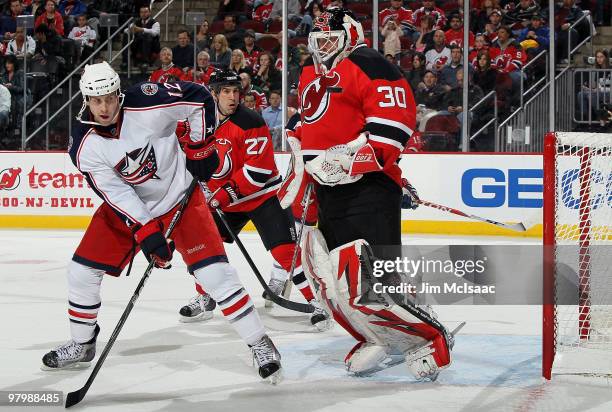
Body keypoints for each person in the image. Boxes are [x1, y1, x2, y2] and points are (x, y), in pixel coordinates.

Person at [40, 62, 282, 383]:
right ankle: (82, 343)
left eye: (110, 98)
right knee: (81, 270)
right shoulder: (84, 143)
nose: (104, 107)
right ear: (86, 99)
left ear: (118, 93)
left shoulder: (146, 100)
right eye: (96, 101)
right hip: (130, 208)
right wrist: (147, 230)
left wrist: (198, 148)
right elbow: (115, 192)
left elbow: (198, 99)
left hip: (180, 196)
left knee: (215, 275)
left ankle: (259, 342)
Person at [282, 8, 453, 380]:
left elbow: (394, 128)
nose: (324, 48)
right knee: (335, 282)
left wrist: (347, 161)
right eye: (318, 41)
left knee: (375, 279)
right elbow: (309, 119)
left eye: (331, 40)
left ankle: (429, 336)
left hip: (367, 190)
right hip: (327, 192)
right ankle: (374, 334)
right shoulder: (311, 71)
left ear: (351, 36)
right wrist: (300, 150)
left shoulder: (370, 63)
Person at [176, 70, 331, 331]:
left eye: (236, 91)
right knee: (201, 247)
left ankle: (317, 302)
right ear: (213, 94)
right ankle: (206, 297)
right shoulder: (200, 121)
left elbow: (258, 171)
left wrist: (223, 194)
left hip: (262, 196)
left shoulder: (250, 122)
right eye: (226, 91)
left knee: (285, 253)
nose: (233, 97)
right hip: (222, 201)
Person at [121, 5, 161, 71]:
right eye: (141, 12)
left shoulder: (155, 23)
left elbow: (155, 32)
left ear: (149, 13)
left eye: (145, 12)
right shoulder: (136, 22)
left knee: (146, 35)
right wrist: (131, 29)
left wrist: (142, 29)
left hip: (152, 47)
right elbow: (125, 30)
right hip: (138, 46)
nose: (143, 14)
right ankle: (125, 62)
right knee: (126, 35)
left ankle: (145, 62)